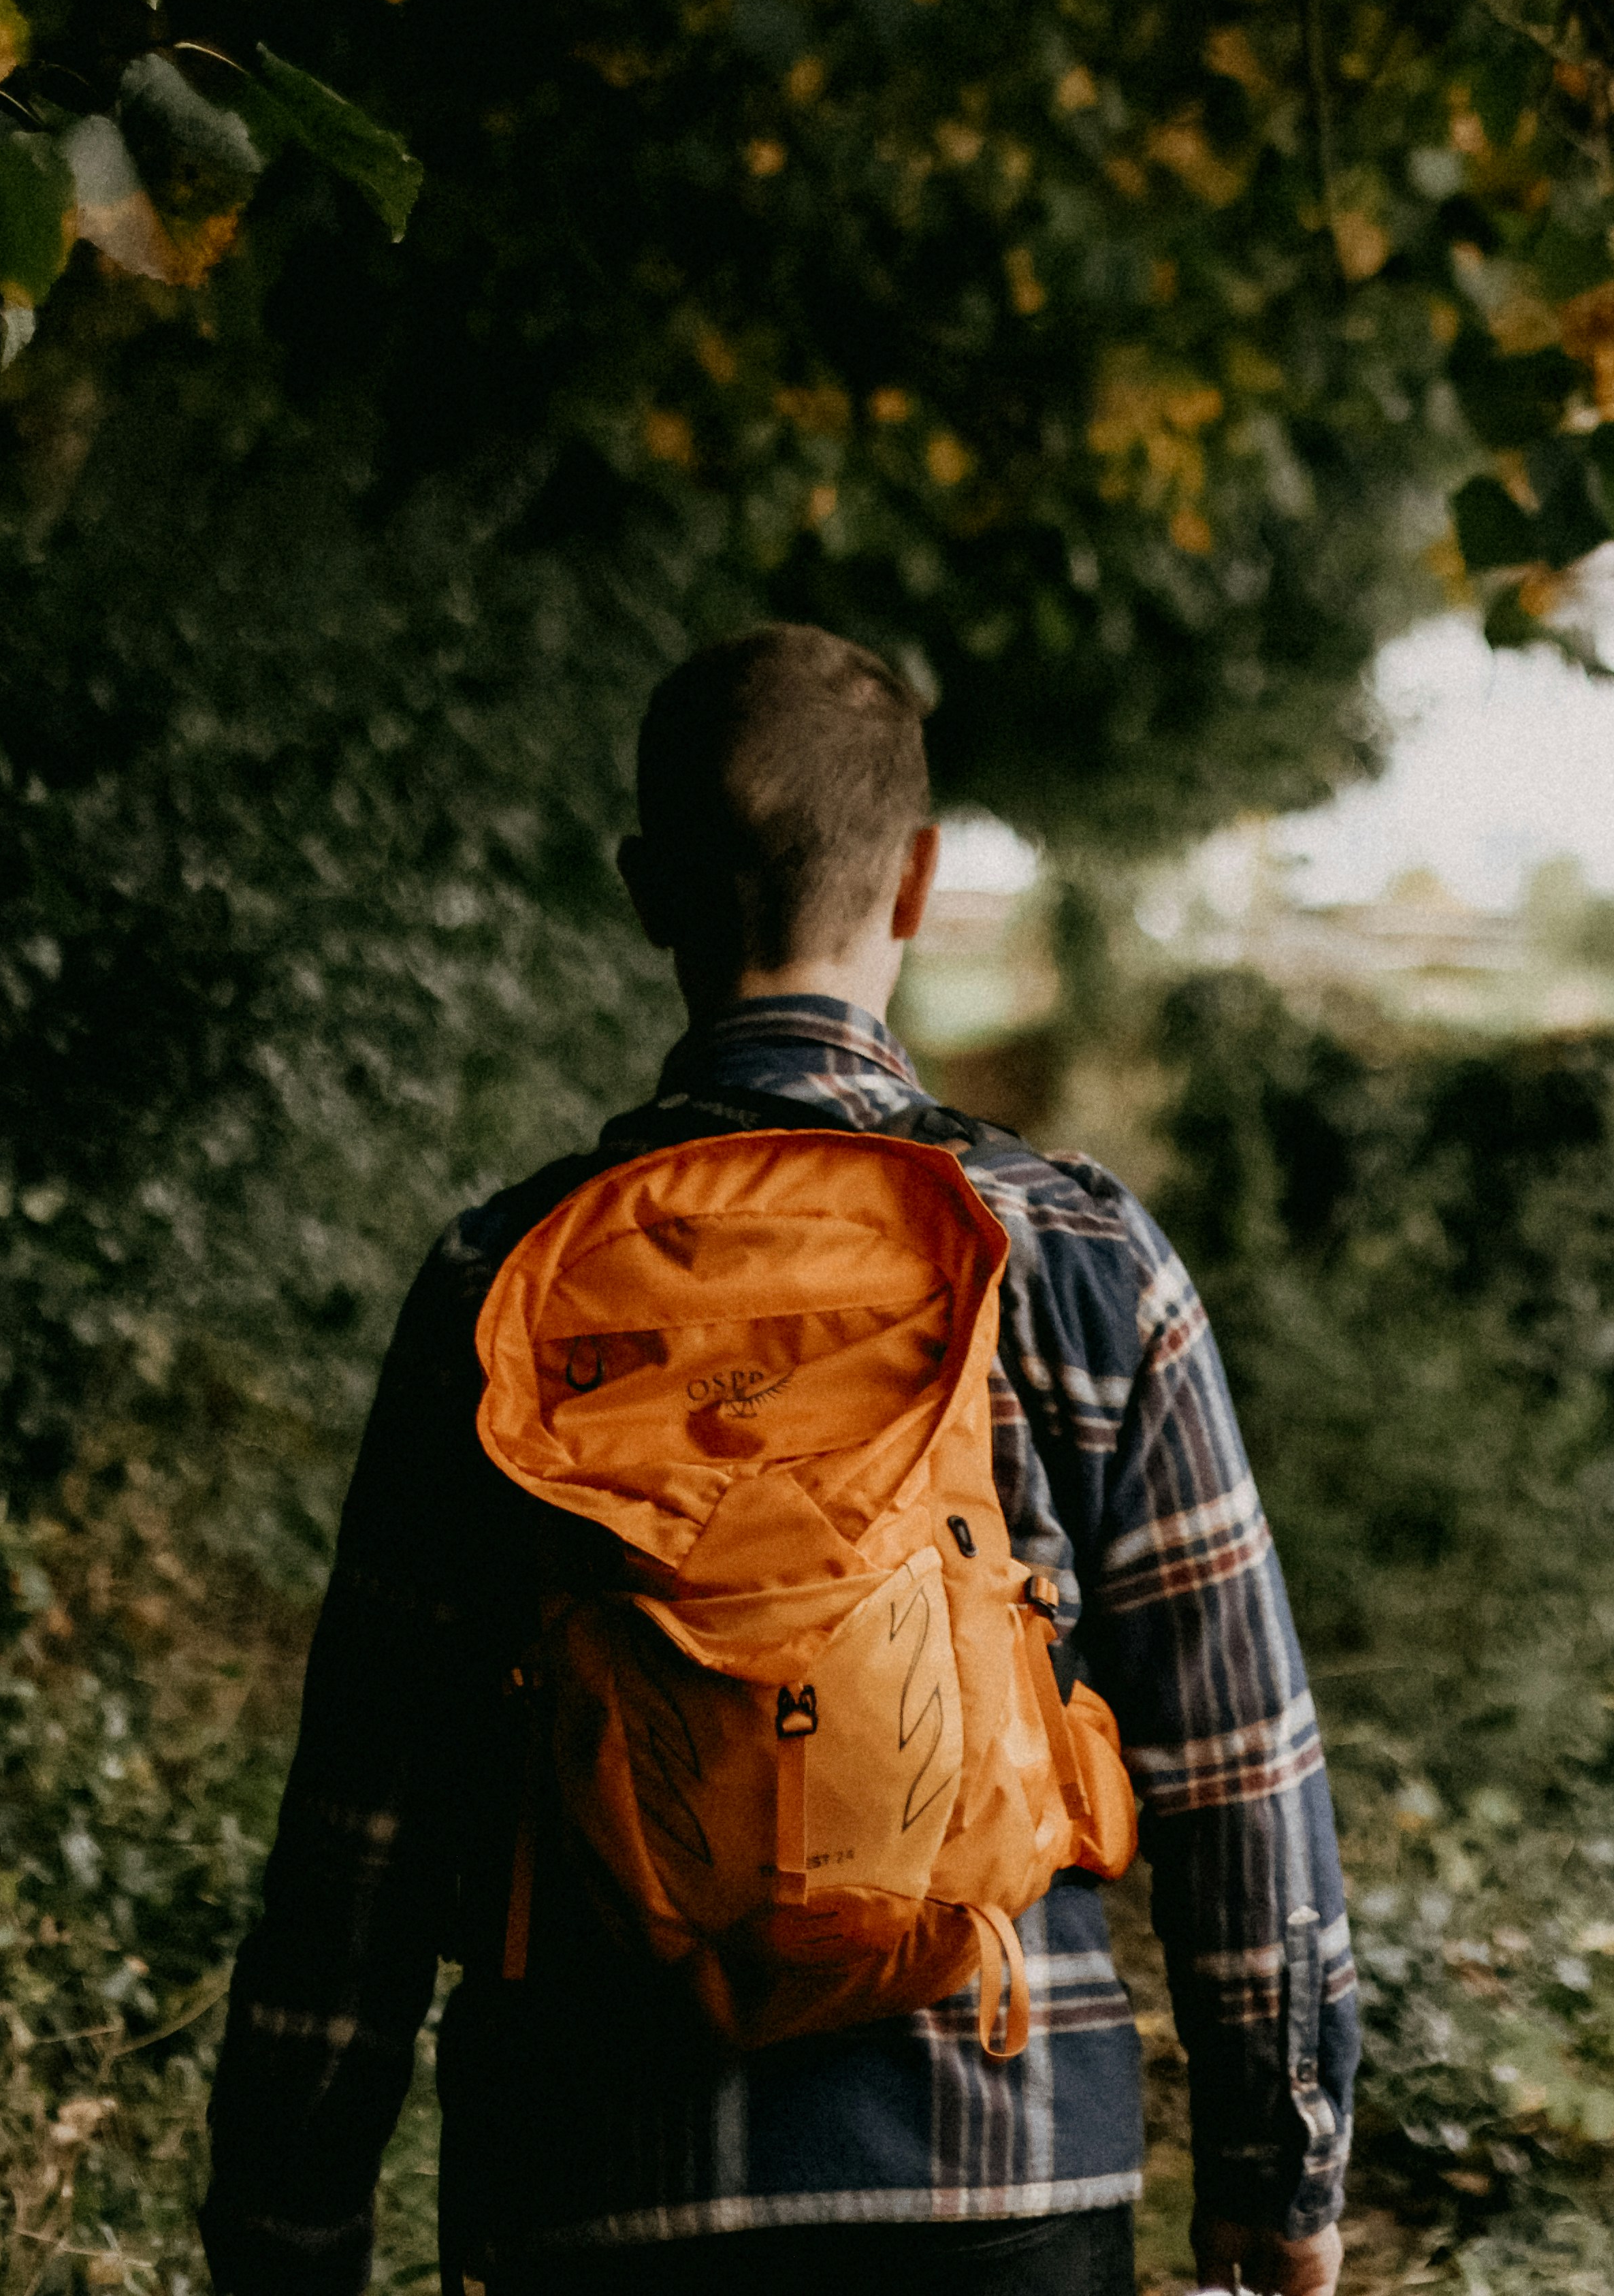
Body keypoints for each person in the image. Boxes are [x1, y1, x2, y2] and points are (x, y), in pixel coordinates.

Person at [203, 625, 1357, 2296]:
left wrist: (285, 2225)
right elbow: (1238, 1759)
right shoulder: (1078, 1252)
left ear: (644, 889)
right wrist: (1280, 2167)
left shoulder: (504, 1283)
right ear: (918, 880)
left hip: (596, 2182)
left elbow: (363, 1821)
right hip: (1000, 2168)